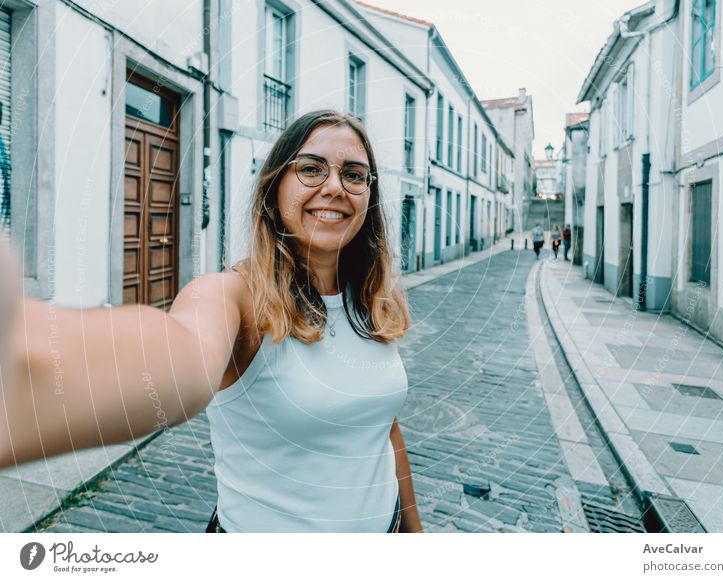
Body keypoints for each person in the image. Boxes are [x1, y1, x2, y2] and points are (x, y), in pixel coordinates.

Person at [0, 110, 423, 533]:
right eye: (311, 169)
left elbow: (381, 425)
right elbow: (182, 354)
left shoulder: (370, 302)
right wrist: (29, 370)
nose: (334, 187)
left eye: (354, 175)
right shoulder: (233, 296)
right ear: (273, 190)